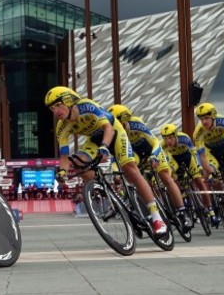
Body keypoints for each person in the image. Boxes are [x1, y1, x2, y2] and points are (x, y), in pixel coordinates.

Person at [45, 86, 167, 235]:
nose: (56, 111)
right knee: (78, 163)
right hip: (94, 140)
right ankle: (107, 190)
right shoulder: (61, 127)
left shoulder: (87, 106)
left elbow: (108, 128)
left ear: (68, 100)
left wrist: (104, 147)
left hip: (114, 133)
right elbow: (64, 156)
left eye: (58, 105)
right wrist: (62, 172)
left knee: (130, 168)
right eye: (52, 108)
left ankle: (156, 218)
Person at [108, 104, 192, 232]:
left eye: (120, 124)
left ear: (125, 120)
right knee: (132, 175)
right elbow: (115, 156)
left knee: (166, 178)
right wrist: (116, 173)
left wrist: (154, 156)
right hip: (135, 156)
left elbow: (155, 142)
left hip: (151, 151)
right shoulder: (115, 132)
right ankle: (148, 212)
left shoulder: (136, 124)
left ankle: (182, 212)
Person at [159, 123, 219, 226]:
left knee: (199, 182)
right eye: (165, 138)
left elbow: (194, 153)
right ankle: (182, 194)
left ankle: (211, 212)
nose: (168, 141)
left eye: (170, 138)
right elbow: (166, 162)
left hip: (188, 157)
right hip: (174, 160)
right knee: (172, 177)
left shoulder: (184, 138)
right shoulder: (162, 145)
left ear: (175, 135)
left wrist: (199, 166)